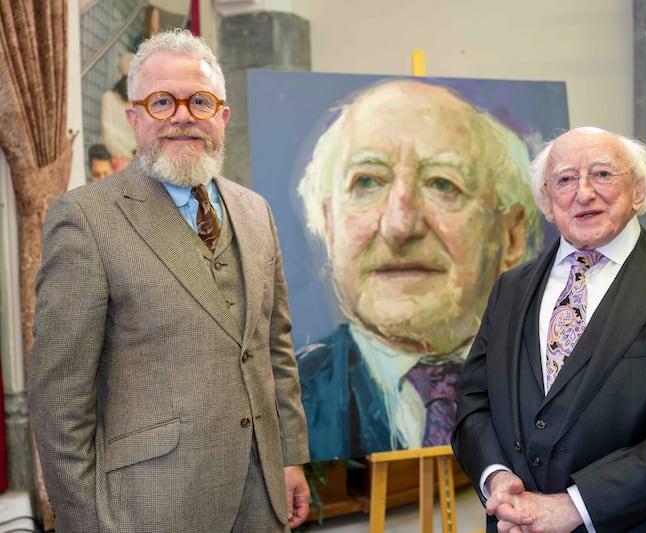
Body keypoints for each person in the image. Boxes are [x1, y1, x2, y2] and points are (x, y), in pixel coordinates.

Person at [28, 29, 310, 532]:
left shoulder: (255, 212)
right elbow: (59, 400)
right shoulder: (85, 218)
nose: (183, 115)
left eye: (200, 101)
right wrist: (85, 521)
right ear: (134, 117)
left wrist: (289, 458)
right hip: (149, 508)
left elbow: (274, 351)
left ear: (222, 117)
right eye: (162, 101)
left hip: (260, 498)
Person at [451, 126, 646, 532]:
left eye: (602, 174)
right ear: (548, 201)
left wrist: (572, 508)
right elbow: (473, 399)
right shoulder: (510, 288)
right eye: (565, 179)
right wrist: (497, 479)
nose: (583, 193)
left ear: (638, 191)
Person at [296, 79, 539, 460]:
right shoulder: (288, 399)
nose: (400, 224)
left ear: (511, 235)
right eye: (367, 182)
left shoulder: (555, 383)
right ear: (329, 227)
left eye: (443, 183)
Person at [100, 52, 136, 171]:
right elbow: (108, 137)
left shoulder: (138, 104)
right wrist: (128, 156)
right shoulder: (109, 98)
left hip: (134, 163)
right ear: (121, 77)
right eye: (127, 79)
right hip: (113, 161)